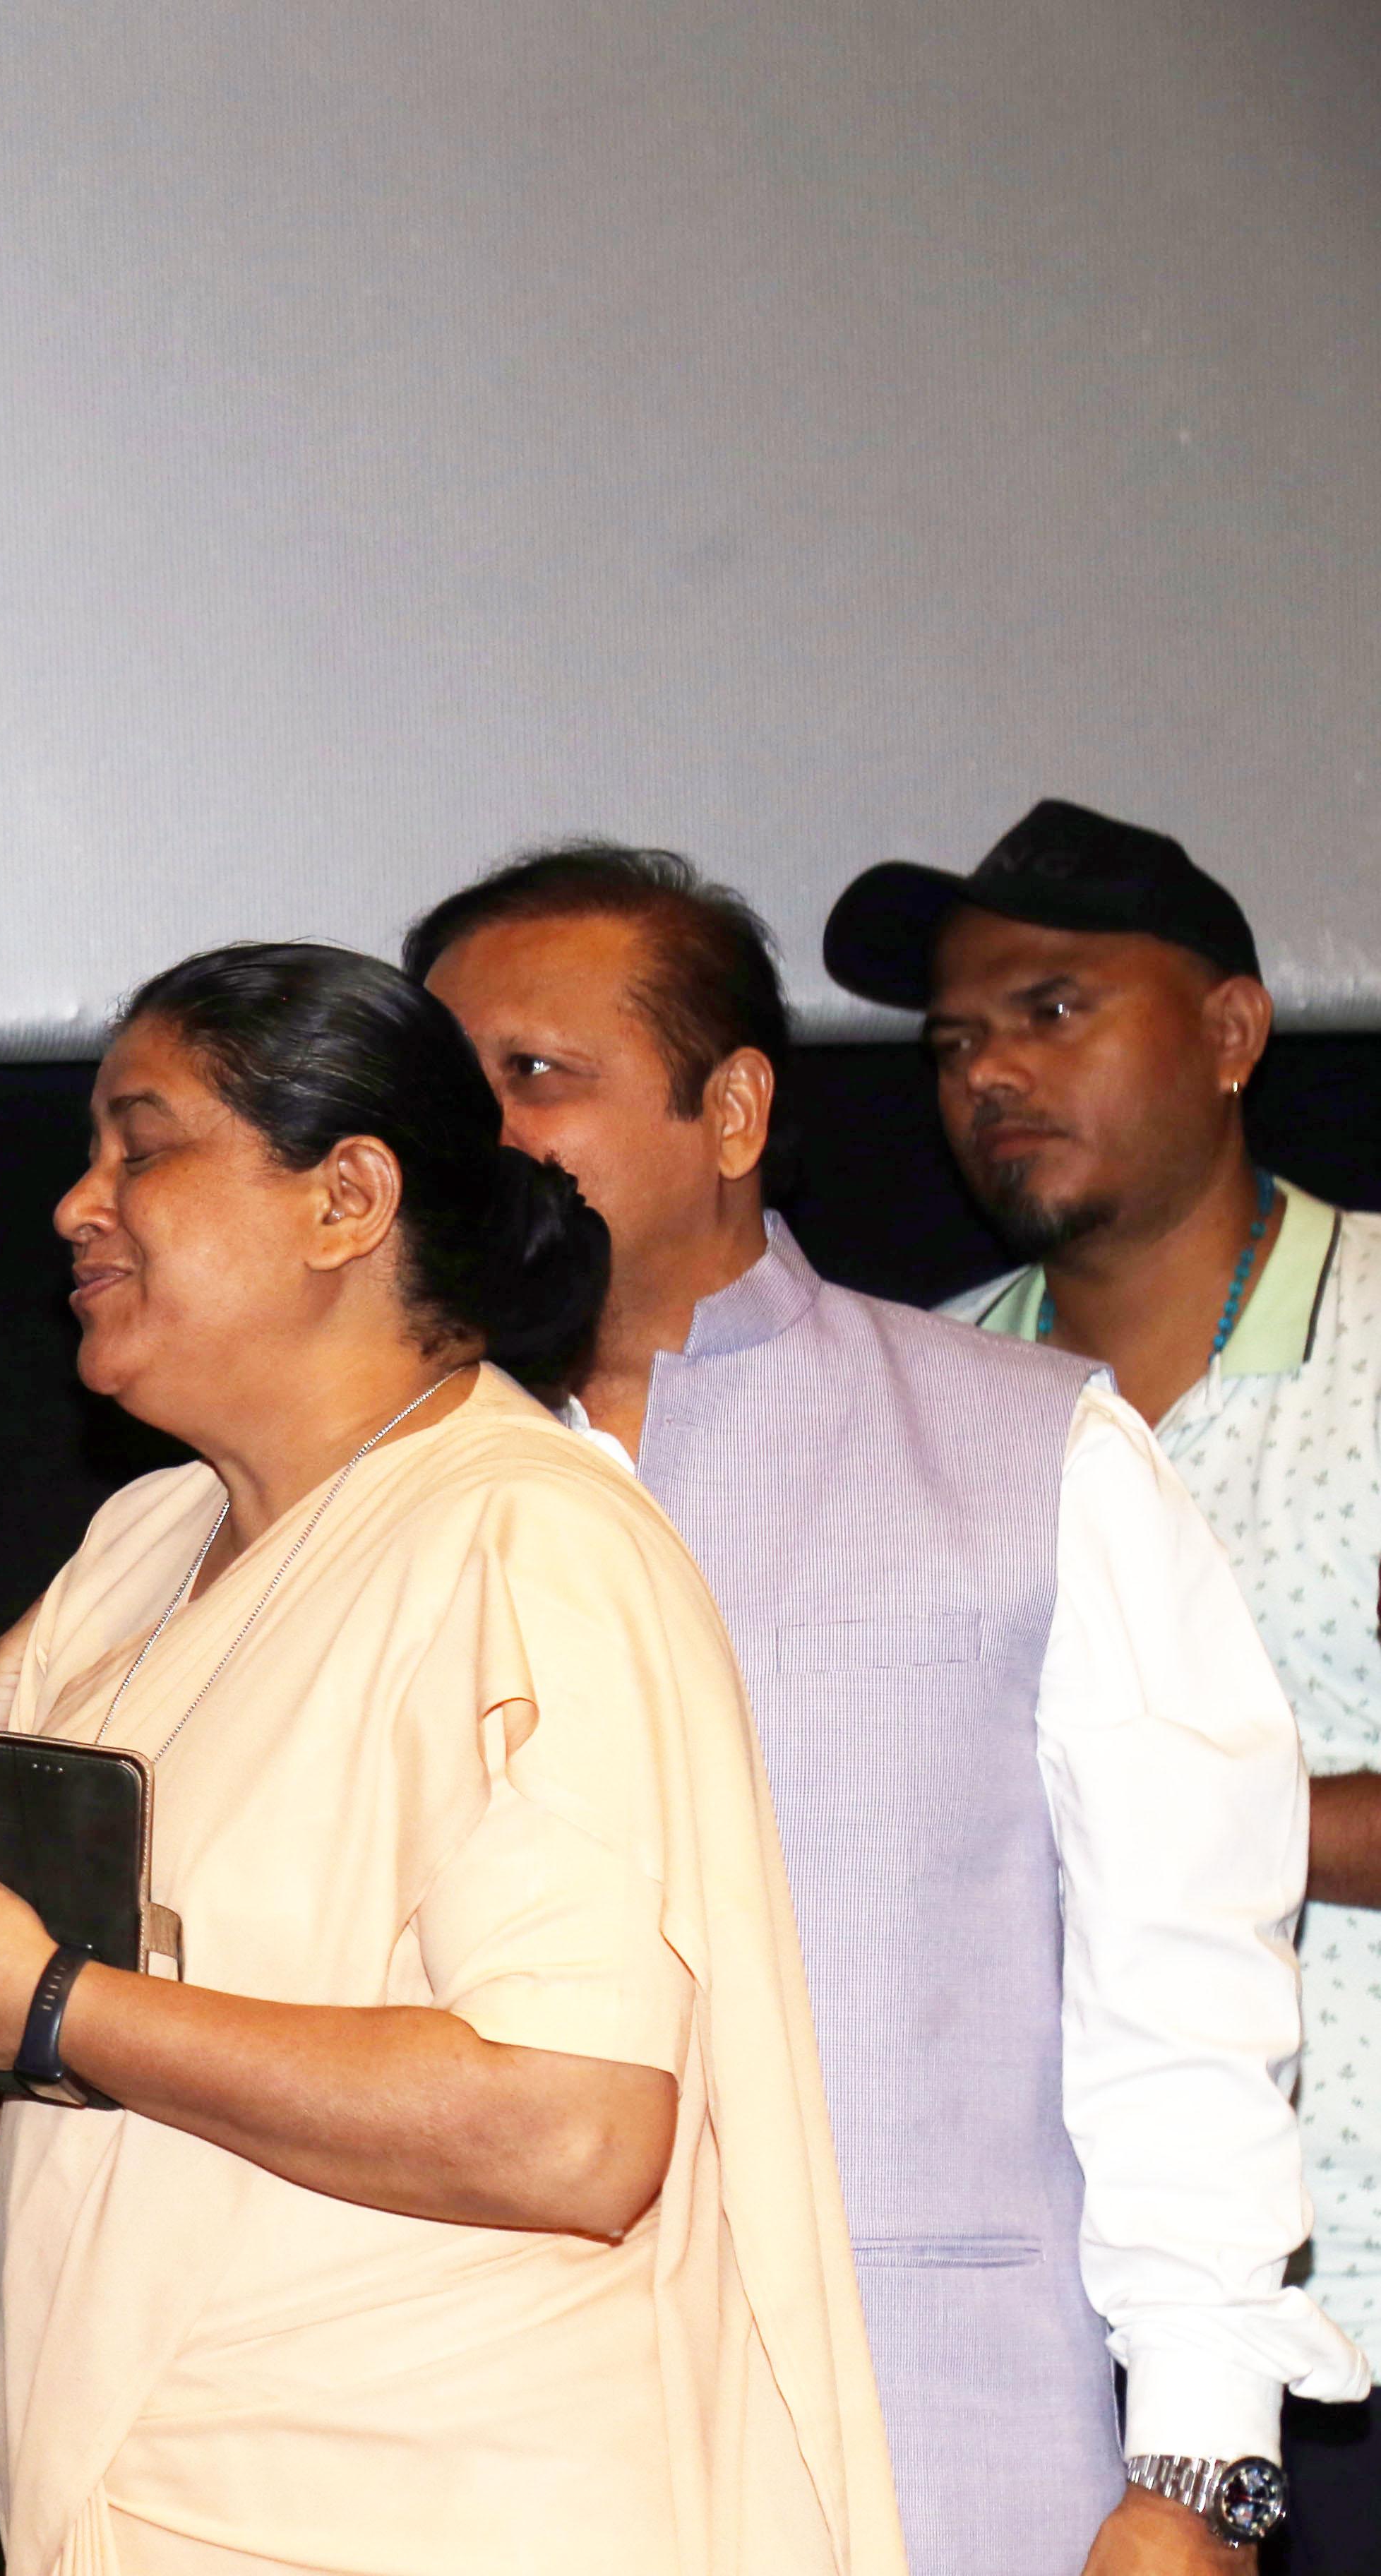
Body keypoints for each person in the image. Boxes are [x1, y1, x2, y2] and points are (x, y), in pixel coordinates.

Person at [0, 941, 906, 2576]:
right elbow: (9, 2109)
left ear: (347, 1198)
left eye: (143, 1144)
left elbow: (574, 2132)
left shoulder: (526, 1535)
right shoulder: (138, 1547)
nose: (76, 1206)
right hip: (141, 2499)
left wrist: (46, 1998)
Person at [411, 840, 1357, 2575]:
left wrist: (1201, 2470)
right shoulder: (370, 1501)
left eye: (536, 1076)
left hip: (943, 2442)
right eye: (440, 1089)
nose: (480, 1137)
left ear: (736, 1108)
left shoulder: (1020, 1448)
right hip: (464, 2457)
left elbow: (1188, 1996)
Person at [827, 799, 1381, 2565]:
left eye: (1053, 1010)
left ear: (1229, 1034)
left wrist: (1145, 1828)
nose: (990, 1068)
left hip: (1348, 2295)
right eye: (955, 1040)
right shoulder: (909, 1401)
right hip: (1035, 2346)